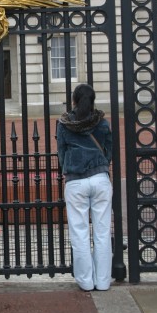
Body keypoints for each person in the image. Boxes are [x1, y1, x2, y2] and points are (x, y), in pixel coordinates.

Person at [56, 83, 113, 292]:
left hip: (76, 181)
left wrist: (66, 168)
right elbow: (109, 150)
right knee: (102, 232)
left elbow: (61, 152)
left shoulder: (63, 124)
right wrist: (102, 164)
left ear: (74, 101)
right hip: (100, 177)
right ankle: (103, 281)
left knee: (79, 233)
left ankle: (85, 281)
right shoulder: (102, 123)